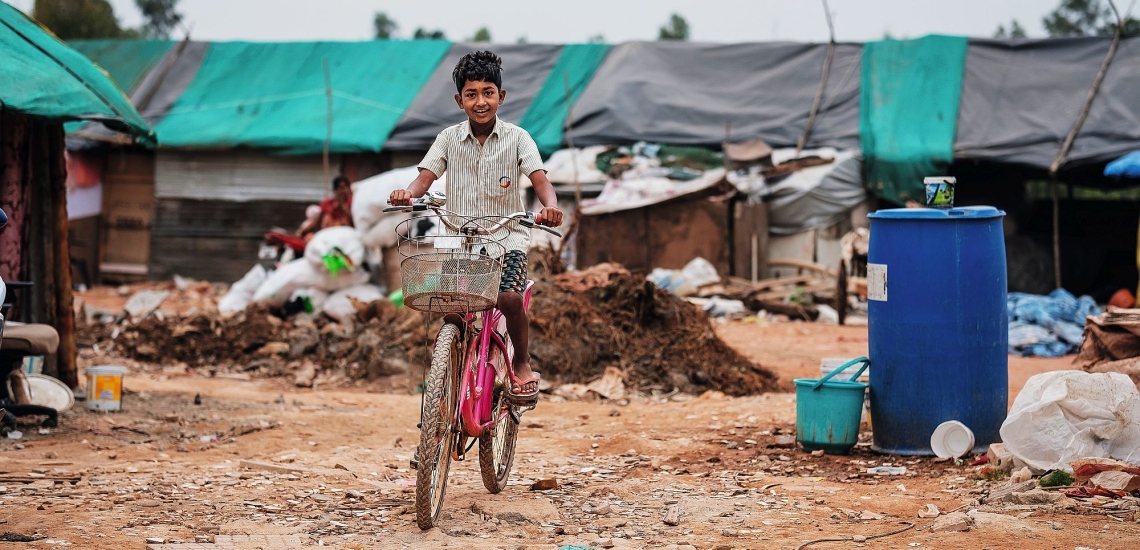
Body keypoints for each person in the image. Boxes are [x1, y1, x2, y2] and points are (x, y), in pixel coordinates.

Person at [390, 50, 563, 400]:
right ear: (459, 100)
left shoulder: (518, 138)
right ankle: (449, 380)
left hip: (507, 237)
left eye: (488, 92)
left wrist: (552, 207)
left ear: (501, 96)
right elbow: (425, 177)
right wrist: (407, 194)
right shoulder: (448, 139)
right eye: (471, 94)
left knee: (509, 299)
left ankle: (522, 364)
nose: (480, 101)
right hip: (459, 238)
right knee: (452, 309)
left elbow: (540, 180)